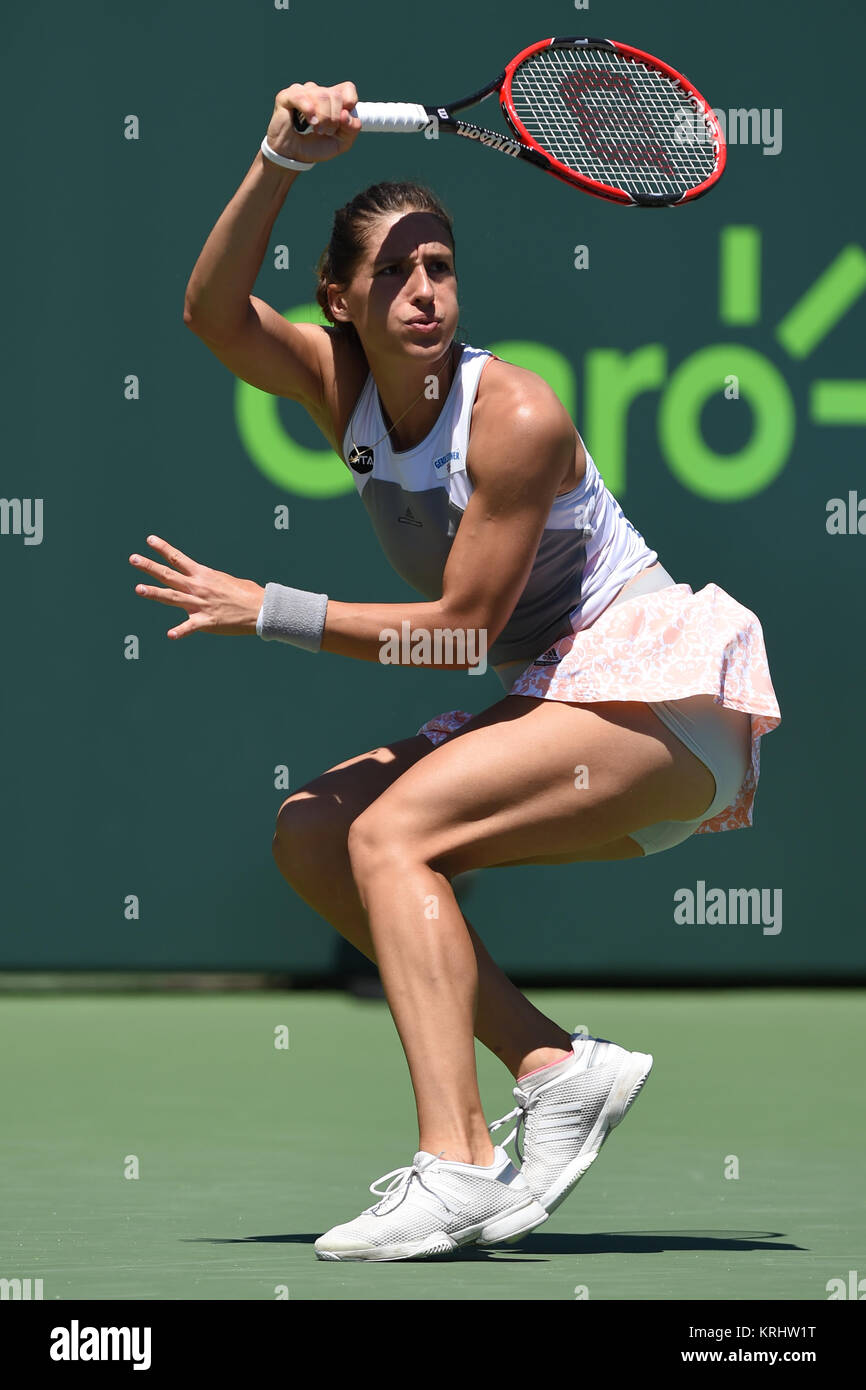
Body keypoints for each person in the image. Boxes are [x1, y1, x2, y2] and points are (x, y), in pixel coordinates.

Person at [130, 80, 781, 1263]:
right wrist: (279, 157)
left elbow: (458, 633)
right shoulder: (344, 389)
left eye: (440, 267)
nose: (425, 293)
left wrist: (265, 607)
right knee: (317, 832)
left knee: (393, 836)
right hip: (566, 698)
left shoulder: (514, 414)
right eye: (394, 273)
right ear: (340, 299)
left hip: (657, 702)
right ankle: (553, 1065)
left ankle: (459, 1161)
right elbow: (210, 315)